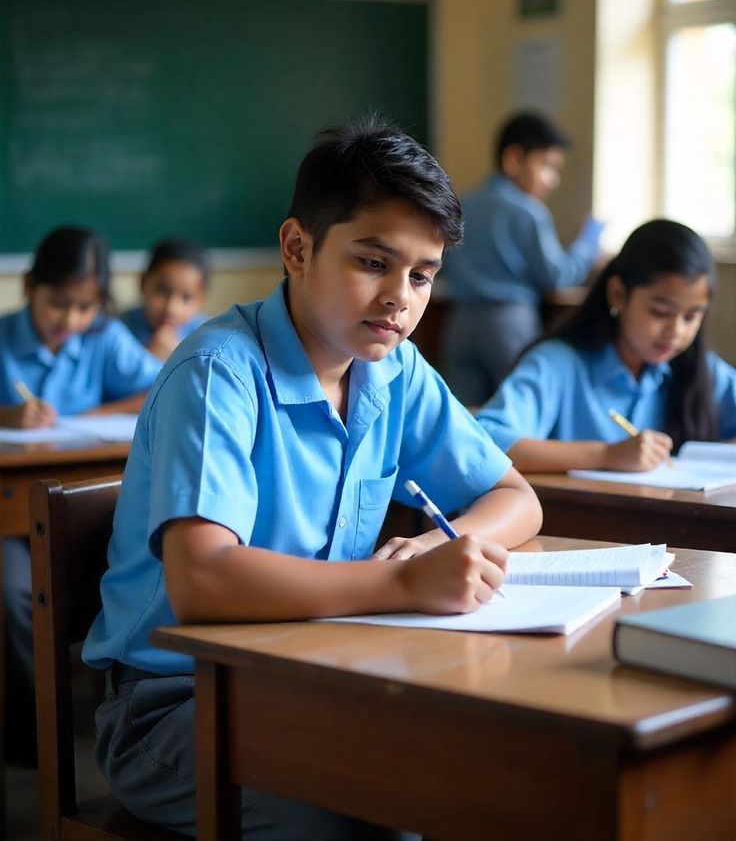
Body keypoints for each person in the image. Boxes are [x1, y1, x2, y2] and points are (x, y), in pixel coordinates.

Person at [83, 116, 542, 840]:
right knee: (364, 812)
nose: (400, 296)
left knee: (486, 773)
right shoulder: (221, 373)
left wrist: (434, 551)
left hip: (323, 673)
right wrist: (400, 585)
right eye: (373, 262)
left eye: (422, 276)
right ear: (297, 248)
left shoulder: (394, 371)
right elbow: (203, 579)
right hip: (177, 705)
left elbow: (516, 498)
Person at [0, 225, 163, 766]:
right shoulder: (4, 338)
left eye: (85, 307)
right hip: (15, 519)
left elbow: (161, 383)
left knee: (144, 573)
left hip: (92, 514)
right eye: (58, 304)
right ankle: (37, 735)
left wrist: (82, 417)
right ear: (29, 287)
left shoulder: (104, 338)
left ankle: (121, 720)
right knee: (17, 593)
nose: (70, 320)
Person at [475, 220, 736, 472]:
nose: (676, 330)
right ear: (618, 295)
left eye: (691, 317)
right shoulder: (557, 364)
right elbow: (487, 442)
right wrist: (606, 455)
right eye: (660, 311)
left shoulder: (700, 369)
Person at [441, 111, 604, 406]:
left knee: (464, 414)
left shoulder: (461, 205)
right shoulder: (528, 211)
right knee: (519, 409)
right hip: (509, 322)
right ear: (514, 159)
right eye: (547, 166)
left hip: (460, 322)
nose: (552, 180)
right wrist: (587, 244)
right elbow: (559, 275)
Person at [122, 237, 209, 360]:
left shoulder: (206, 337)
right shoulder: (121, 331)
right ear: (143, 283)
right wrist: (147, 358)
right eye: (162, 291)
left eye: (186, 297)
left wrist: (180, 360)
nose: (171, 308)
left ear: (200, 301)